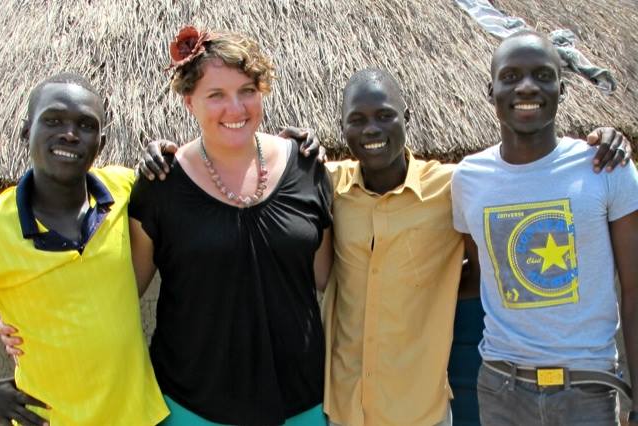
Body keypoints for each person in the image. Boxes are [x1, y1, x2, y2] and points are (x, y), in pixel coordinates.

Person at [136, 65, 631, 426]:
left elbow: (518, 192)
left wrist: (605, 142)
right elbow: (266, 176)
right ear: (342, 128)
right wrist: (161, 153)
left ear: (407, 117)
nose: (372, 130)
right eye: (358, 119)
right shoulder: (325, 183)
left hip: (419, 411)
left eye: (385, 116)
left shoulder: (453, 187)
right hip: (340, 408)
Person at [127, 27, 333, 425]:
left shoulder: (308, 169)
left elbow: (329, 276)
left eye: (247, 91)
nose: (235, 108)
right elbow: (119, 292)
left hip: (301, 402)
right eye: (216, 95)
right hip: (192, 407)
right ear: (189, 101)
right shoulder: (160, 185)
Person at [451, 30, 638, 426]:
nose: (526, 86)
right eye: (511, 76)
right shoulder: (468, 179)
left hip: (588, 390)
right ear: (490, 91)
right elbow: (481, 272)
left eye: (542, 75)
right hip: (502, 387)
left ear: (562, 89)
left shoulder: (606, 167)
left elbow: (634, 289)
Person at [0, 73, 168, 425]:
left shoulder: (125, 189)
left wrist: (161, 152)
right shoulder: (1, 224)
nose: (70, 134)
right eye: (53, 120)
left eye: (86, 125)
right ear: (26, 131)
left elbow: (193, 181)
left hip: (137, 416)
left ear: (101, 143)